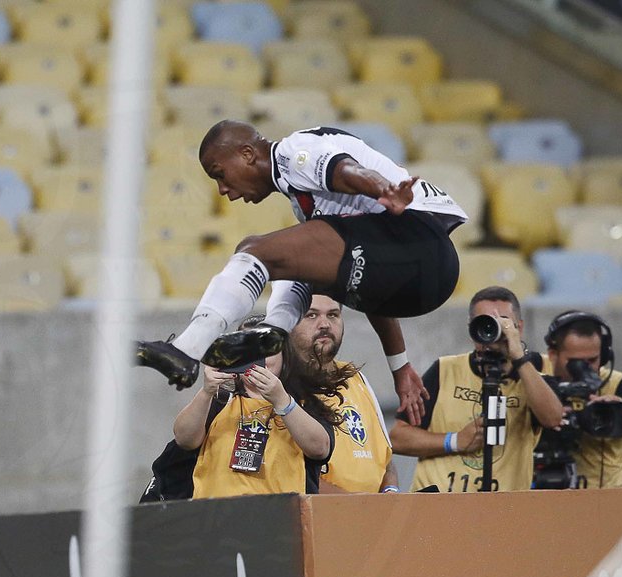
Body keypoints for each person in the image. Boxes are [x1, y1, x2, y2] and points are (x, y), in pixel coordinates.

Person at [135, 119, 468, 425]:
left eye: (220, 174)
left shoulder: (293, 152)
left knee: (253, 250)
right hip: (419, 283)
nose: (223, 189)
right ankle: (272, 332)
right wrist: (400, 366)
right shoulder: (307, 204)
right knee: (295, 263)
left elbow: (345, 170)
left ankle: (187, 349)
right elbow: (376, 293)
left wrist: (382, 190)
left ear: (247, 154)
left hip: (421, 242)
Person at [390, 287, 563, 492]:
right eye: (485, 322)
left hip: (503, 506)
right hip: (439, 503)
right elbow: (397, 438)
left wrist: (518, 356)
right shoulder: (445, 369)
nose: (494, 331)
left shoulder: (533, 374)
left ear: (520, 327)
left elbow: (552, 418)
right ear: (471, 327)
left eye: (503, 322)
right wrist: (454, 441)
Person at [172, 315, 355, 498]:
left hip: (282, 512)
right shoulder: (220, 401)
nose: (258, 357)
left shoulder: (303, 402)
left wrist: (281, 400)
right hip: (218, 512)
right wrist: (206, 392)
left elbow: (320, 449)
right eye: (248, 349)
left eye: (267, 348)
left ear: (284, 354)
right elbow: (184, 439)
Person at [289, 294, 399, 493]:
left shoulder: (357, 379)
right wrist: (357, 506)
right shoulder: (281, 387)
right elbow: (289, 475)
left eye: (333, 315)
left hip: (373, 509)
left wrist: (391, 492)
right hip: (321, 510)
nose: (325, 324)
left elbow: (385, 460)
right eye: (311, 315)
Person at [542, 310, 622, 488]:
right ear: (553, 354)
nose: (586, 368)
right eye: (575, 362)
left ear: (604, 355)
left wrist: (618, 411)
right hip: (541, 491)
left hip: (606, 495)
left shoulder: (617, 383)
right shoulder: (536, 378)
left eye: (592, 360)